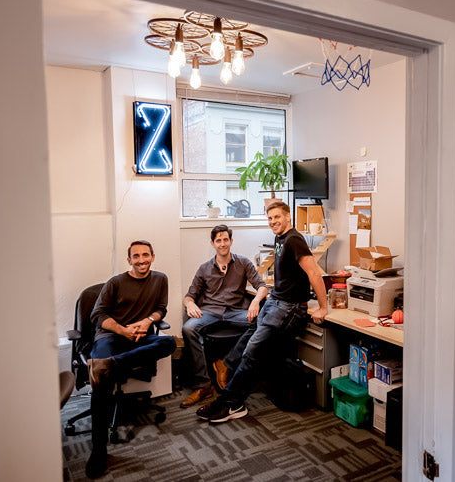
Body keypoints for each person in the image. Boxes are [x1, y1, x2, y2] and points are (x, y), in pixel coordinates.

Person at [197, 202, 328, 423]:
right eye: (269, 218)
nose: (273, 222)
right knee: (249, 333)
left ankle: (230, 404)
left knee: (252, 352)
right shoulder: (281, 238)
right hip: (276, 299)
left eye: (277, 217)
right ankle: (226, 366)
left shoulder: (294, 239)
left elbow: (314, 272)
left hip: (289, 307)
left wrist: (323, 307)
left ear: (288, 217)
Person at [84, 240, 176, 479]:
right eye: (136, 256)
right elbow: (97, 314)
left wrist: (147, 322)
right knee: (100, 384)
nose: (142, 260)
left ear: (153, 257)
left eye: (146, 255)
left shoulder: (160, 279)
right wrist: (123, 330)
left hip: (139, 336)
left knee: (168, 342)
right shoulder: (115, 282)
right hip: (112, 336)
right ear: (129, 260)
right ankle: (99, 450)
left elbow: (161, 309)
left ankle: (113, 364)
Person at [180, 224, 268, 408]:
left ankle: (226, 363)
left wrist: (255, 301)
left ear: (231, 241)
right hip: (210, 312)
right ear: (212, 243)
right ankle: (203, 385)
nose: (222, 244)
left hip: (235, 312)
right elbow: (189, 296)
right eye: (218, 240)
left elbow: (262, 286)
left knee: (263, 322)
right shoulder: (204, 268)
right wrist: (190, 304)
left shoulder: (243, 263)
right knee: (188, 328)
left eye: (225, 240)